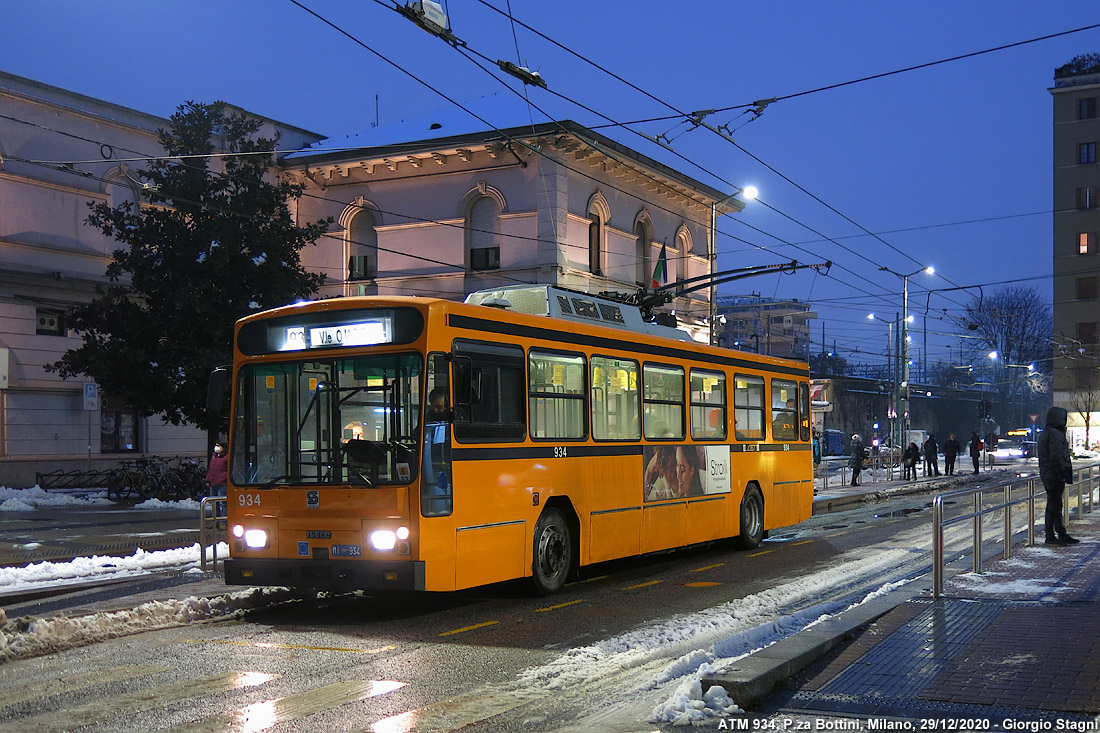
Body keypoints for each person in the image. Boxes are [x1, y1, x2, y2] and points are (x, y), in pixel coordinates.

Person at [1037, 406, 1078, 546]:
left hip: (1049, 473)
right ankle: (1051, 535)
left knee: (1055, 504)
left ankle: (1059, 532)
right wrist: (1062, 472)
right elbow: (1056, 455)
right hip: (1054, 474)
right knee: (1054, 505)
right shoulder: (1055, 434)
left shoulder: (1046, 433)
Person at [205, 440, 229, 517]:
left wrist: (226, 479)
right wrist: (208, 479)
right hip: (213, 483)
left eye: (218, 446)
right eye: (216, 445)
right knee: (214, 504)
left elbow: (232, 469)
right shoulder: (214, 456)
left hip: (222, 484)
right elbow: (211, 469)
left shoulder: (227, 457)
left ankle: (223, 521)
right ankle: (215, 521)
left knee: (223, 504)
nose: (216, 448)